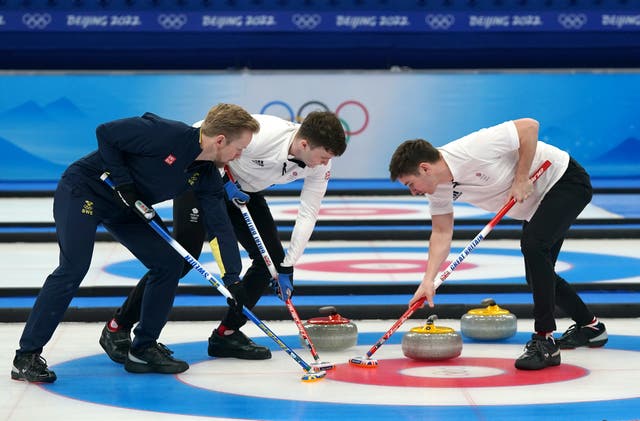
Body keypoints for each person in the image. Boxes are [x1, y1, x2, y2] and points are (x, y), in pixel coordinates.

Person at [11, 104, 260, 383]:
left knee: (168, 263)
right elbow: (106, 133)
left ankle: (143, 348)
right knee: (73, 267)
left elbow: (219, 228)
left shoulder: (206, 175)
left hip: (129, 207)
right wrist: (124, 183)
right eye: (239, 149)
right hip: (86, 191)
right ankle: (26, 356)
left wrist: (233, 278)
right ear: (220, 140)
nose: (240, 156)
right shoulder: (166, 134)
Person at [99, 111, 347, 362]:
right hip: (203, 182)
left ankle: (226, 334)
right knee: (182, 259)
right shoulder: (264, 132)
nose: (324, 163)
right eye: (323, 157)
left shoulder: (320, 163)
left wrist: (288, 264)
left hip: (244, 193)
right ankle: (118, 326)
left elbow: (309, 212)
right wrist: (217, 176)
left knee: (270, 263)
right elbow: (202, 132)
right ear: (304, 144)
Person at [388, 118, 608, 371]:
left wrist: (521, 178)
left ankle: (544, 340)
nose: (413, 192)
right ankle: (590, 327)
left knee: (534, 246)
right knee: (537, 273)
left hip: (564, 180)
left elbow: (529, 127)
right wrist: (428, 280)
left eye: (410, 184)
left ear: (425, 168)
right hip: (536, 204)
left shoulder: (471, 149)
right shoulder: (438, 188)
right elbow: (441, 231)